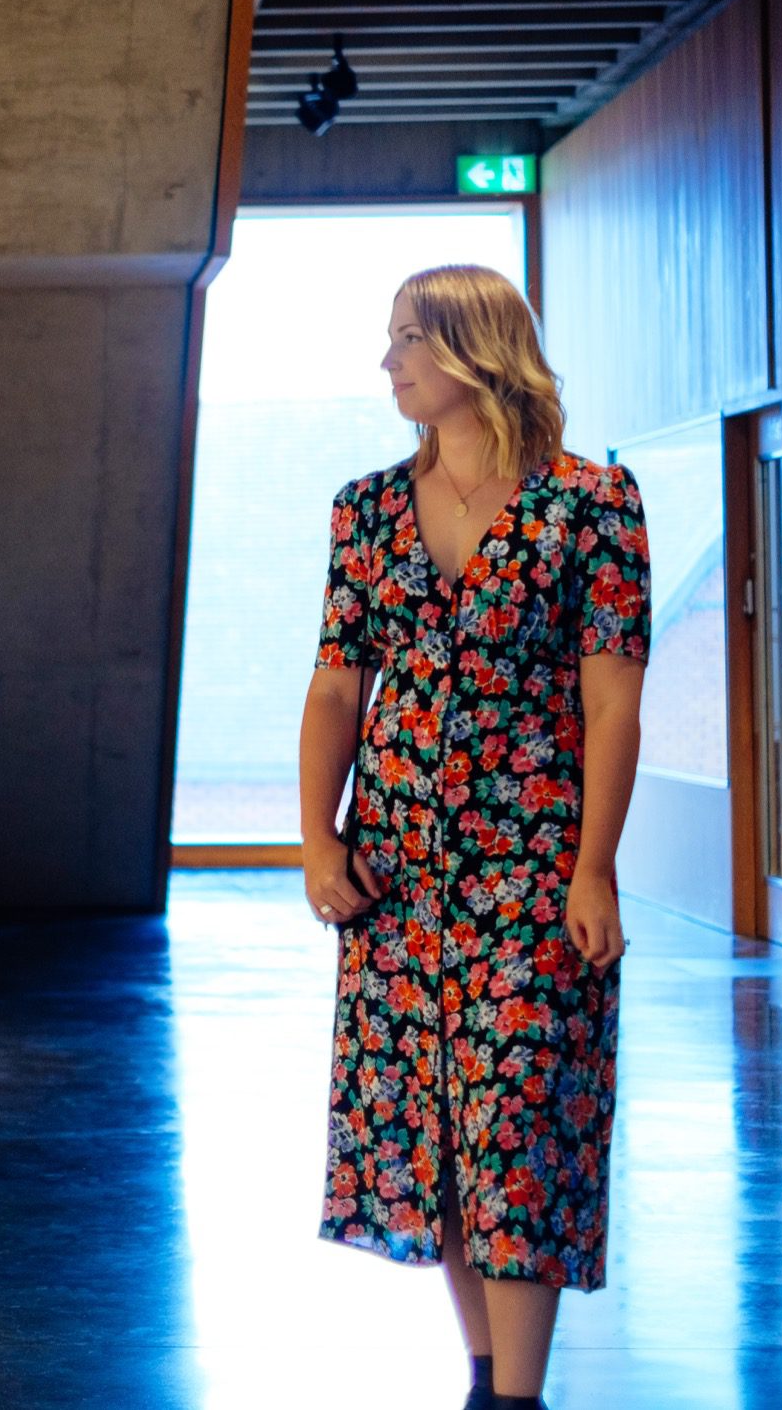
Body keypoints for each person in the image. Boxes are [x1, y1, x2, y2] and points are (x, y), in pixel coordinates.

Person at [296, 264, 650, 1410]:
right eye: (391, 337)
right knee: (436, 1140)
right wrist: (316, 837)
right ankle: (487, 1377)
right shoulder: (364, 507)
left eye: (410, 338)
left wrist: (593, 866)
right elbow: (335, 691)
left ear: (476, 350)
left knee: (519, 1129)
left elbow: (611, 703)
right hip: (398, 876)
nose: (388, 360)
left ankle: (519, 1397)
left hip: (534, 870)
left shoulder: (591, 503)